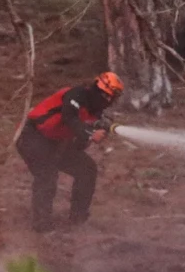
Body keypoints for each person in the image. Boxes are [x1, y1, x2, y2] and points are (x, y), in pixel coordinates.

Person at [16, 72, 123, 232]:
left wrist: (88, 137)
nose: (108, 102)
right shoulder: (76, 95)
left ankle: (78, 218)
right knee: (46, 175)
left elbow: (78, 144)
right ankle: (41, 225)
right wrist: (90, 133)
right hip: (32, 135)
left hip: (57, 143)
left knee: (86, 169)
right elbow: (69, 118)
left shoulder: (95, 113)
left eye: (111, 99)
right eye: (107, 97)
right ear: (100, 92)